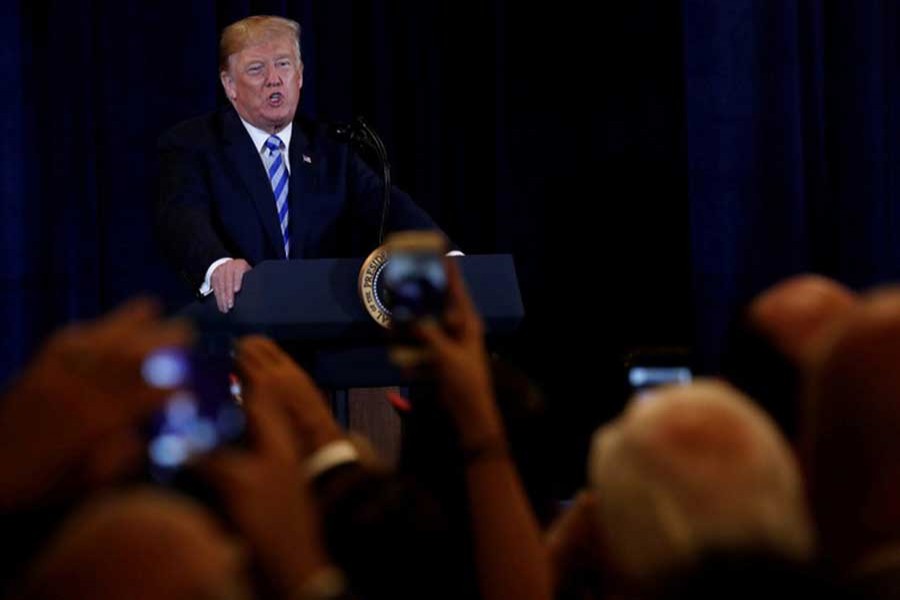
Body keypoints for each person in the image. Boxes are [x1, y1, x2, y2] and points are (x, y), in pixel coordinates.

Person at [156, 15, 446, 313]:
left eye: (283, 64)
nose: (274, 79)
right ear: (230, 85)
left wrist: (448, 259)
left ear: (300, 76)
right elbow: (182, 217)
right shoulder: (193, 144)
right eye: (256, 69)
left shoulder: (331, 148)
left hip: (319, 319)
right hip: (236, 320)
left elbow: (388, 204)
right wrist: (218, 264)